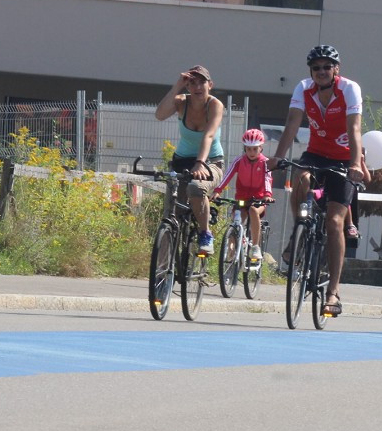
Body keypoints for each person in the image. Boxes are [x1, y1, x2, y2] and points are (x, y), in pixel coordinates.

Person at [268, 45, 364, 317]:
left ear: (336, 69)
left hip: (344, 158)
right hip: (317, 153)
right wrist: (277, 157)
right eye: (316, 68)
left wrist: (356, 164)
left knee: (334, 222)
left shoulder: (349, 89)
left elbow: (354, 128)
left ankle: (333, 291)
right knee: (300, 178)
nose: (321, 72)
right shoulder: (303, 88)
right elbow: (292, 124)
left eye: (326, 67)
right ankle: (299, 230)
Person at [155, 65, 224, 254]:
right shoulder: (181, 102)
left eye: (202, 82)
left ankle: (205, 234)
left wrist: (200, 163)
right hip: (181, 162)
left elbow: (208, 136)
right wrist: (177, 86)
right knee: (171, 216)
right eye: (192, 83)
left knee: (196, 188)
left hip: (210, 161)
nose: (197, 87)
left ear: (210, 84)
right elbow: (159, 115)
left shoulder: (215, 105)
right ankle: (162, 274)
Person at [213, 128, 275, 260]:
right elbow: (227, 175)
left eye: (255, 149)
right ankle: (231, 250)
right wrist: (218, 190)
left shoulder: (265, 163)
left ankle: (255, 247)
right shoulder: (239, 161)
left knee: (253, 210)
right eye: (248, 149)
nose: (251, 152)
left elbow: (267, 179)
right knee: (236, 220)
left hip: (259, 199)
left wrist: (267, 195)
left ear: (261, 148)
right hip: (242, 199)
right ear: (244, 148)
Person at [343, 148, 372, 244]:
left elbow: (367, 179)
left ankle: (350, 224)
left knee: (345, 196)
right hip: (325, 185)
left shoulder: (355, 153)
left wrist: (361, 162)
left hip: (344, 190)